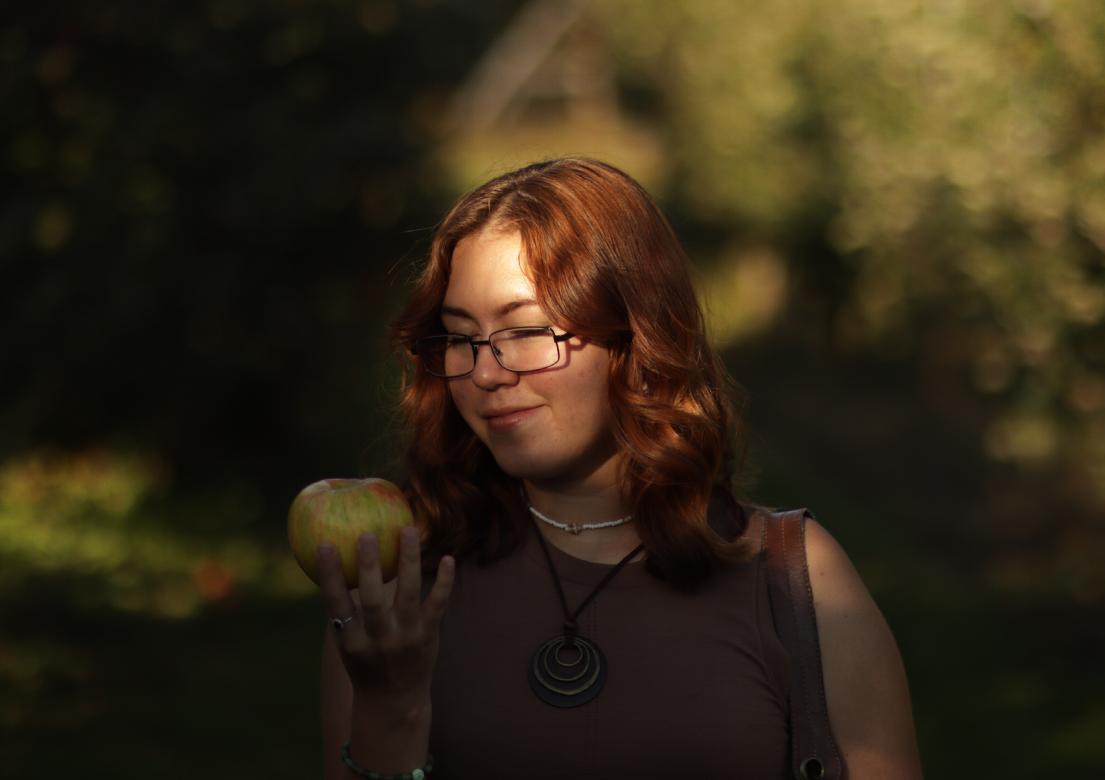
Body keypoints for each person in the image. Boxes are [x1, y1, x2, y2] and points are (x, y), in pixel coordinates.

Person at [316, 157, 923, 779]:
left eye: (526, 330)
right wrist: (390, 711)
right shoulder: (399, 584)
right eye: (459, 337)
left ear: (637, 335)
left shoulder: (796, 578)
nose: (487, 372)